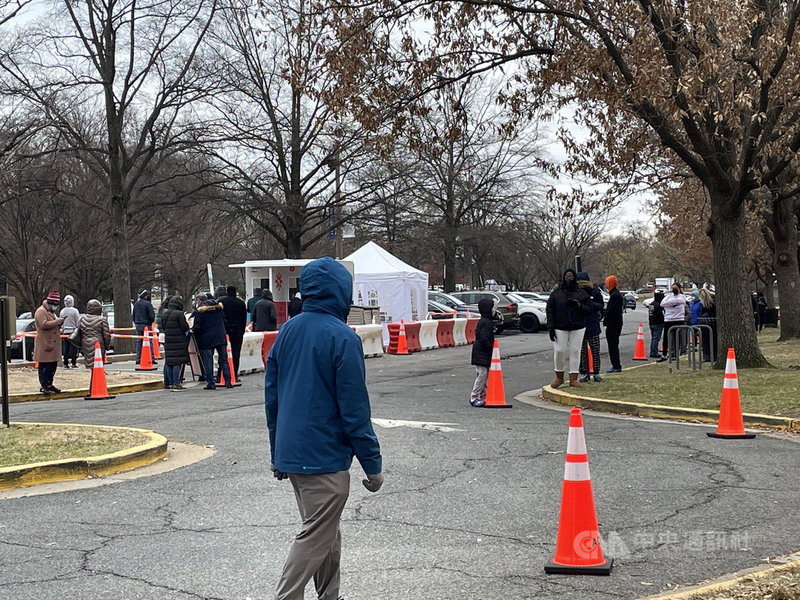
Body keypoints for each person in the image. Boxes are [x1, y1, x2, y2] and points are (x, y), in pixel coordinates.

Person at [265, 257, 383, 600]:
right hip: (325, 457)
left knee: (325, 532)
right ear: (342, 292)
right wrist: (372, 465)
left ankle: (329, 595)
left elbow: (272, 398)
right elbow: (355, 410)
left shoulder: (287, 331)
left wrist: (277, 452)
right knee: (315, 535)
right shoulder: (342, 337)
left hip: (293, 454)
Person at [546, 268, 592, 388]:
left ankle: (573, 378)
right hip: (560, 326)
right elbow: (550, 310)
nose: (569, 278)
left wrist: (579, 305)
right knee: (559, 350)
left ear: (575, 278)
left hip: (578, 326)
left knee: (575, 351)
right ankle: (559, 376)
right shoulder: (556, 293)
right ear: (563, 277)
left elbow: (590, 309)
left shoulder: (581, 294)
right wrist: (550, 327)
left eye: (571, 276)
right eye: (567, 276)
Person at [192, 295, 232, 390]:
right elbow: (225, 321)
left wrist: (198, 338)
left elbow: (197, 328)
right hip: (220, 337)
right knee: (224, 360)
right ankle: (228, 380)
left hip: (207, 338)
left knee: (208, 360)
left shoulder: (200, 312)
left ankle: (211, 382)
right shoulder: (219, 309)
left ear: (200, 301)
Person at [34, 290, 65, 394]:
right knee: (45, 366)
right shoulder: (41, 311)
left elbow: (52, 324)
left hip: (52, 344)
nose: (55, 307)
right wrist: (57, 321)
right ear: (50, 303)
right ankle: (43, 385)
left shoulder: (51, 312)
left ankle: (49, 384)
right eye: (55, 304)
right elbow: (43, 324)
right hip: (45, 344)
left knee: (52, 365)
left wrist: (59, 323)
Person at [576, 272, 605, 383]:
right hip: (580, 325)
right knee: (582, 352)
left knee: (595, 351)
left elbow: (600, 306)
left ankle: (596, 372)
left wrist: (590, 304)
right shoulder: (576, 293)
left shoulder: (595, 292)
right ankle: (583, 372)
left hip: (593, 325)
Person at [469, 298, 495, 406]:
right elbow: (484, 339)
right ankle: (474, 396)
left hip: (481, 353)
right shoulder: (486, 323)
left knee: (484, 374)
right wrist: (490, 347)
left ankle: (483, 396)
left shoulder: (485, 321)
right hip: (482, 353)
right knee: (482, 375)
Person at [161, 295, 190, 391]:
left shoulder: (165, 313)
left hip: (168, 340)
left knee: (169, 362)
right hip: (178, 340)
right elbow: (184, 327)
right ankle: (176, 383)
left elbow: (164, 326)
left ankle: (169, 383)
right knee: (177, 362)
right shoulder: (179, 314)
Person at [219, 285, 247, 375]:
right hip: (237, 329)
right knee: (236, 352)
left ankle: (222, 372)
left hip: (224, 329)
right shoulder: (241, 303)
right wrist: (242, 331)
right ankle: (234, 373)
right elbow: (244, 319)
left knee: (222, 352)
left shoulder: (221, 302)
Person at [78, 299, 112, 368]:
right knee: (98, 364)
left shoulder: (83, 319)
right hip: (98, 344)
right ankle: (96, 377)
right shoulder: (102, 319)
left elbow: (79, 333)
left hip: (85, 343)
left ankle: (93, 376)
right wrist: (107, 346)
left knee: (90, 363)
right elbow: (106, 335)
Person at [659, 282, 687, 362]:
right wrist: (673, 303)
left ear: (679, 289)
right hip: (668, 319)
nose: (674, 290)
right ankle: (664, 355)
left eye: (675, 288)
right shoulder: (668, 296)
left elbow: (681, 301)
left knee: (677, 338)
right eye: (673, 288)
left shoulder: (682, 296)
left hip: (678, 319)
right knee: (666, 338)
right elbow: (662, 303)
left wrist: (670, 304)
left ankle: (677, 354)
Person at [602, 275, 624, 373]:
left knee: (612, 345)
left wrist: (605, 317)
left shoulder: (615, 295)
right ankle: (616, 365)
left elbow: (611, 311)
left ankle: (616, 365)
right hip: (616, 323)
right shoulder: (616, 294)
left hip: (613, 324)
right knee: (613, 344)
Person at [132, 289, 156, 364]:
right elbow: (151, 316)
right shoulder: (148, 304)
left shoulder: (136, 304)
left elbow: (133, 316)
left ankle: (138, 358)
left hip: (138, 324)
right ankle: (151, 358)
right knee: (149, 341)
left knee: (139, 341)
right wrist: (150, 322)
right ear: (145, 296)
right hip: (146, 325)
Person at [59, 294, 80, 369]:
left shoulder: (62, 311)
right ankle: (73, 363)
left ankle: (65, 363)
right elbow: (78, 322)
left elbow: (60, 322)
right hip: (73, 332)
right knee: (73, 348)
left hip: (65, 332)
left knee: (66, 349)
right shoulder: (75, 311)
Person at [698, 288, 717, 362]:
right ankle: (709, 356)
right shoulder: (711, 300)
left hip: (710, 323)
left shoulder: (709, 302)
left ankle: (709, 356)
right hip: (709, 323)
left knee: (710, 341)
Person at [647, 290, 665, 358]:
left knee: (653, 338)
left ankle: (653, 351)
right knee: (656, 338)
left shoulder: (651, 304)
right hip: (658, 324)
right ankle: (654, 352)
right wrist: (663, 322)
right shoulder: (658, 305)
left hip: (651, 322)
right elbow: (660, 315)